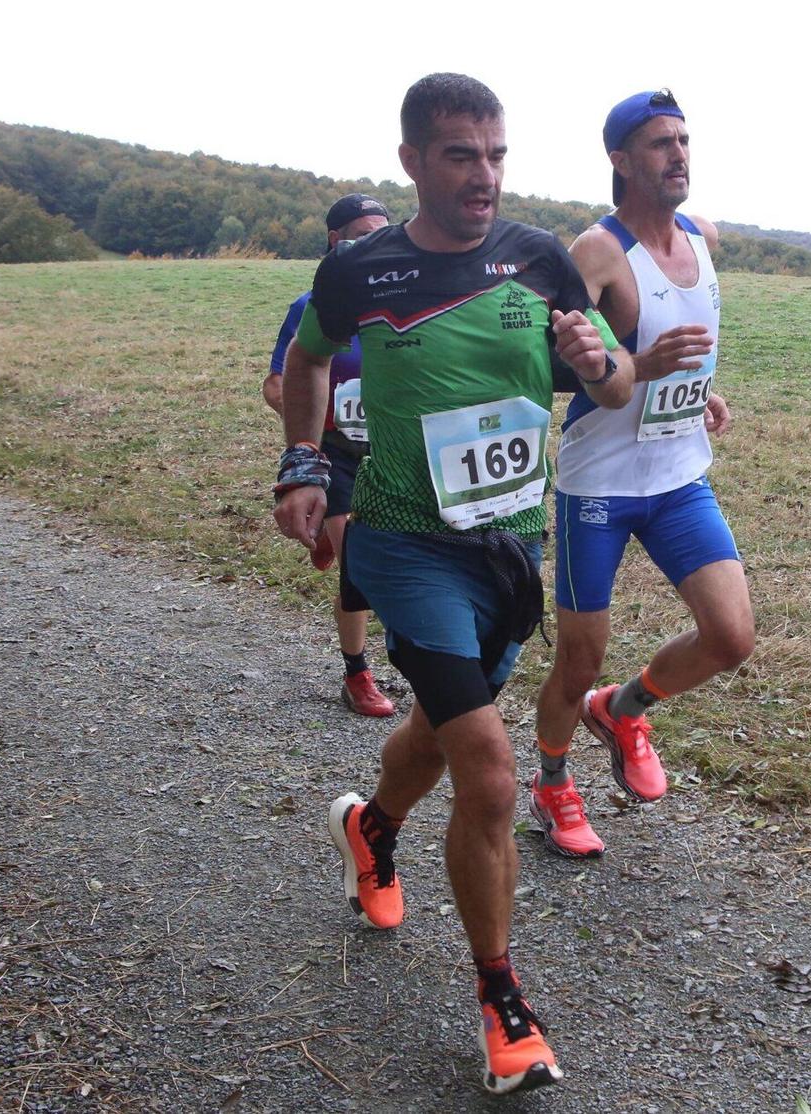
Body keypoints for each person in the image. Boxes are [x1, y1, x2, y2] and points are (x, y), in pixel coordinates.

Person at [271, 73, 636, 1096]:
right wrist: (303, 461)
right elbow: (305, 364)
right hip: (401, 543)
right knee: (485, 768)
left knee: (440, 726)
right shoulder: (362, 273)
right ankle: (501, 1001)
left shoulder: (536, 257)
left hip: (509, 553)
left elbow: (609, 383)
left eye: (496, 154)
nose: (483, 175)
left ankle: (369, 826)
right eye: (459, 155)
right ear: (412, 163)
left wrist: (594, 355)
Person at [528, 90, 753, 857]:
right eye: (661, 143)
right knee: (578, 652)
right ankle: (553, 780)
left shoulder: (701, 234)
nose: (679, 154)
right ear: (621, 160)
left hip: (679, 473)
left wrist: (699, 391)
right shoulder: (596, 252)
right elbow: (555, 358)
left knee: (730, 636)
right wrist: (636, 365)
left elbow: (684, 347)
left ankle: (622, 708)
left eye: (685, 140)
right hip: (600, 486)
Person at [262, 193, 396, 717]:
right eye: (364, 235)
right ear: (335, 242)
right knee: (359, 564)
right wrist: (321, 425)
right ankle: (357, 672)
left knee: (383, 556)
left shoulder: (400, 304)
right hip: (337, 455)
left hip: (392, 454)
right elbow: (277, 386)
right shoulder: (311, 307)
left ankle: (325, 536)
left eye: (384, 234)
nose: (375, 245)